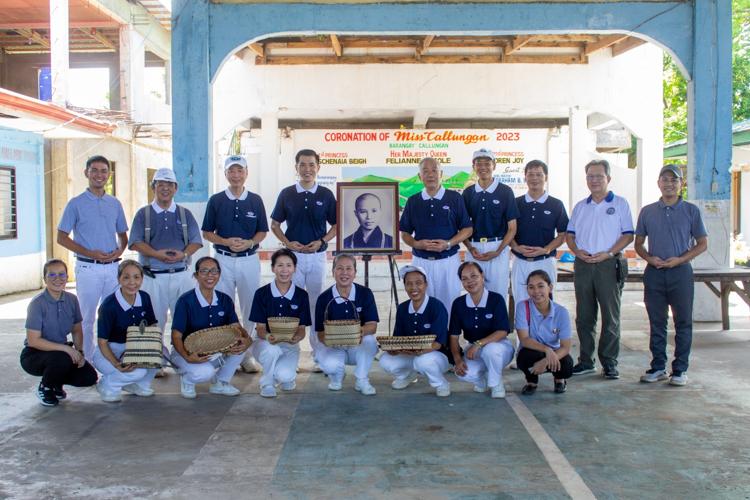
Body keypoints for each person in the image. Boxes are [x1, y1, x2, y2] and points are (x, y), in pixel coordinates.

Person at [635, 164, 708, 386]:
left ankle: (680, 369)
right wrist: (649, 259)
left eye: (674, 180)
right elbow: (638, 244)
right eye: (664, 180)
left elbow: (702, 243)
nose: (669, 184)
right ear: (658, 183)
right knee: (657, 322)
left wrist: (681, 259)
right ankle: (658, 366)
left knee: (683, 322)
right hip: (654, 274)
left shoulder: (691, 211)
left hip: (681, 273)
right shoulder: (647, 211)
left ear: (681, 184)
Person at [129, 168, 203, 377]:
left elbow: (196, 241)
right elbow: (134, 242)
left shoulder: (184, 214)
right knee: (155, 320)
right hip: (153, 276)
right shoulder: (144, 214)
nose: (165, 189)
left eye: (169, 184)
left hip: (181, 274)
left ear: (176, 188)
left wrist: (183, 255)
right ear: (153, 188)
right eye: (160, 184)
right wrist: (155, 254)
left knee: (184, 319)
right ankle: (157, 359)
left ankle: (181, 356)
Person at [566, 159, 634, 380]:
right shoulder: (580, 206)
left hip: (607, 264)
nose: (594, 180)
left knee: (610, 316)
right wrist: (577, 251)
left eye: (599, 176)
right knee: (584, 317)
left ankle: (609, 361)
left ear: (608, 179)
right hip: (584, 265)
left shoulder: (620, 204)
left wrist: (610, 253)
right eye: (590, 176)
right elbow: (570, 235)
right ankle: (586, 361)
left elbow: (628, 235)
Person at [57, 155, 129, 361]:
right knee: (86, 318)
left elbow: (123, 235)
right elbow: (61, 237)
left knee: (114, 316)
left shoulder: (114, 203)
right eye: (94, 170)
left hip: (113, 269)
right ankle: (86, 362)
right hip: (88, 268)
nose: (99, 175)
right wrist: (89, 253)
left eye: (104, 171)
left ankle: (114, 362)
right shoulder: (75, 204)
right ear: (86, 173)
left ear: (109, 174)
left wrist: (120, 251)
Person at [271, 149, 337, 371]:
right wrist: (288, 244)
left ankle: (318, 356)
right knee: (292, 305)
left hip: (317, 258)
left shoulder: (326, 194)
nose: (307, 169)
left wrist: (322, 241)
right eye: (302, 165)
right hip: (293, 260)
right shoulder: (287, 194)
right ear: (296, 167)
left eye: (311, 165)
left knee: (317, 305)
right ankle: (291, 357)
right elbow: (275, 225)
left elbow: (336, 226)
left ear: (318, 168)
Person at [202, 155, 268, 374]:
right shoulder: (216, 200)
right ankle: (224, 352)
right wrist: (225, 241)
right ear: (226, 174)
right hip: (222, 260)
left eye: (240, 171)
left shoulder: (256, 200)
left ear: (247, 173)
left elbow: (262, 231)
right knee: (223, 307)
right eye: (232, 171)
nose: (236, 175)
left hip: (249, 260)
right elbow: (207, 233)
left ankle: (245, 354)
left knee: (250, 308)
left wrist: (249, 242)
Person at [170, 257, 253, 398]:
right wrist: (187, 356)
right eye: (204, 271)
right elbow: (176, 336)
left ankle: (220, 383)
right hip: (184, 353)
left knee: (240, 347)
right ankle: (187, 381)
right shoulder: (186, 301)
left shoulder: (224, 299)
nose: (210, 275)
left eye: (214, 271)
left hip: (211, 351)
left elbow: (236, 327)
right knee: (205, 372)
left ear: (219, 275)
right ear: (196, 275)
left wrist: (248, 340)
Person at [21, 259, 97, 406]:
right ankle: (46, 387)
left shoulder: (71, 300)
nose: (57, 279)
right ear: (45, 279)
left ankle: (56, 382)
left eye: (62, 274)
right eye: (52, 275)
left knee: (88, 376)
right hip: (34, 355)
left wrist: (79, 352)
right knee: (62, 359)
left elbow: (76, 329)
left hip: (61, 353)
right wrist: (67, 349)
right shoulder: (37, 304)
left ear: (67, 277)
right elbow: (33, 341)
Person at [400, 157, 473, 313]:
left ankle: (449, 338)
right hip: (421, 262)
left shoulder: (454, 198)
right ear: (420, 177)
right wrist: (416, 244)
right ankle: (425, 338)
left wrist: (448, 244)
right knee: (422, 306)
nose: (430, 174)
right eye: (425, 171)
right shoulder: (413, 201)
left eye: (434, 170)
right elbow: (405, 233)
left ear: (441, 174)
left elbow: (467, 229)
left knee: (450, 305)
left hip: (448, 262)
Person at [93, 260, 160, 402]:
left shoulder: (144, 297)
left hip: (133, 347)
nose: (132, 282)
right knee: (138, 371)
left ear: (142, 278)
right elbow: (102, 342)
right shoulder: (109, 306)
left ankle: (137, 385)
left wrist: (145, 351)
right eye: (126, 277)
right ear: (119, 279)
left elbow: (151, 325)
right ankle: (107, 385)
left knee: (159, 354)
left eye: (136, 277)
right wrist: (116, 362)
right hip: (110, 351)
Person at [379, 265, 452, 397]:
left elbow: (437, 344)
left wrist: (416, 351)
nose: (414, 287)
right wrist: (393, 348)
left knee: (422, 361)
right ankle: (407, 375)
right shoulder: (403, 308)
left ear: (426, 285)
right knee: (385, 360)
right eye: (409, 283)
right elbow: (398, 340)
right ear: (405, 286)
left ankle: (441, 383)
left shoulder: (437, 307)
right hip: (412, 353)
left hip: (437, 356)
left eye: (418, 283)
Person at [248, 249, 312, 398]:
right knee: (272, 350)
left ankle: (283, 376)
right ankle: (267, 382)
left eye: (289, 265)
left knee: (285, 376)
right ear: (272, 268)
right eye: (280, 265)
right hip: (265, 343)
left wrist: (297, 338)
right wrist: (269, 336)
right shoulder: (261, 294)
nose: (284, 270)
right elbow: (261, 329)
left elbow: (302, 329)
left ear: (295, 269)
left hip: (289, 344)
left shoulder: (302, 295)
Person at [315, 254, 380, 395]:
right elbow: (320, 333)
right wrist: (330, 339)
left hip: (356, 345)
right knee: (329, 364)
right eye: (340, 268)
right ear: (333, 272)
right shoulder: (324, 298)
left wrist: (359, 331)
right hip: (334, 346)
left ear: (355, 272)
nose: (344, 273)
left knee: (369, 341)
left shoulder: (365, 293)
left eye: (349, 268)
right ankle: (336, 377)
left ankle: (362, 379)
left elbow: (372, 326)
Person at [449, 262, 515, 399]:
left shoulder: (495, 299)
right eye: (464, 278)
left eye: (474, 276)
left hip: (499, 348)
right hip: (474, 349)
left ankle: (496, 384)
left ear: (483, 276)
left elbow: (502, 331)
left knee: (491, 350)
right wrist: (457, 359)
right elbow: (454, 336)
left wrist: (478, 343)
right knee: (463, 373)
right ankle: (483, 379)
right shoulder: (459, 303)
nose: (469, 281)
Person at [462, 148, 519, 304]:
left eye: (487, 163)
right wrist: (469, 248)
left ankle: (498, 328)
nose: (483, 167)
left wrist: (498, 251)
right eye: (479, 163)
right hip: (474, 249)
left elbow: (512, 228)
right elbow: (462, 227)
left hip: (498, 248)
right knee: (474, 293)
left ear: (494, 165)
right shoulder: (468, 193)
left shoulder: (505, 191)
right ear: (473, 167)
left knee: (497, 295)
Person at [510, 160, 569, 304]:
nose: (534, 178)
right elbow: (508, 232)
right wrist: (515, 247)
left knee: (545, 304)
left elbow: (563, 235)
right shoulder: (516, 203)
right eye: (530, 174)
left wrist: (546, 250)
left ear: (546, 177)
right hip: (520, 262)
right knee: (521, 305)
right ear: (525, 178)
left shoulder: (556, 205)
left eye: (539, 174)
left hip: (545, 262)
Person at [515, 270, 574, 395]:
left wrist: (547, 360)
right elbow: (524, 339)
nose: (536, 291)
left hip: (554, 352)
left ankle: (559, 379)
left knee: (567, 365)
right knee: (525, 357)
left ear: (550, 288)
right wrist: (547, 350)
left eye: (541, 286)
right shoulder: (522, 307)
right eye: (531, 287)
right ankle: (531, 381)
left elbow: (565, 347)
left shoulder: (561, 312)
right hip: (533, 350)